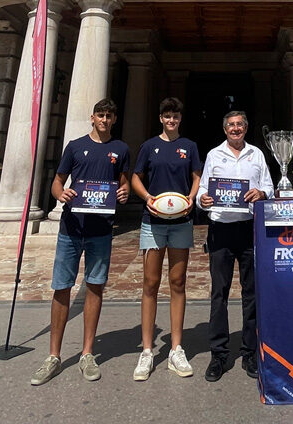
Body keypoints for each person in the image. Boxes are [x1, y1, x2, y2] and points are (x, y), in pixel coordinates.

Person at [30, 100, 130, 387]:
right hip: (71, 228)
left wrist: (123, 195)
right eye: (101, 114)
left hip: (101, 229)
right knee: (61, 287)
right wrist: (61, 195)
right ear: (92, 117)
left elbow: (122, 184)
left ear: (114, 119)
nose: (105, 119)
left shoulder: (121, 150)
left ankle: (87, 353)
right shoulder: (74, 146)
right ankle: (53, 355)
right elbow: (57, 182)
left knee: (95, 286)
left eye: (109, 115)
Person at [197, 110, 273, 381]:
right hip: (220, 230)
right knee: (219, 294)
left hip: (248, 228)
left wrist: (262, 193)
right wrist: (202, 200)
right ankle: (218, 354)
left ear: (246, 127)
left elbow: (269, 187)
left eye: (240, 124)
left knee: (251, 293)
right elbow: (202, 190)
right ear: (225, 128)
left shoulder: (257, 154)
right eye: (231, 125)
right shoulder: (214, 155)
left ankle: (250, 352)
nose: (236, 128)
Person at [131, 98, 202, 381]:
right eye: (167, 116)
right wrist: (147, 197)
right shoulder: (149, 146)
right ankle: (147, 350)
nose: (171, 120)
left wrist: (191, 198)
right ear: (161, 118)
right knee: (150, 283)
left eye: (175, 117)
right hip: (153, 222)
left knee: (177, 282)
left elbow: (197, 176)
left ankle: (175, 348)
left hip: (181, 222)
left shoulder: (190, 146)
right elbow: (136, 176)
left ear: (180, 120)